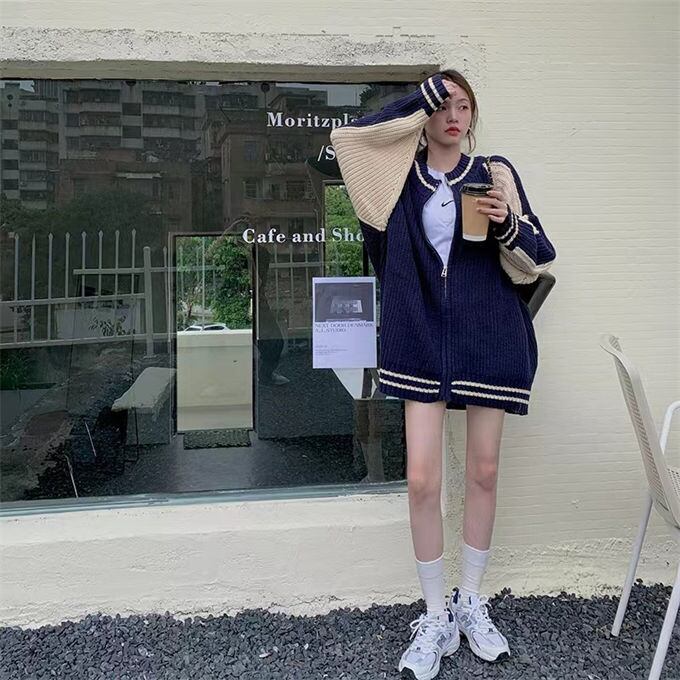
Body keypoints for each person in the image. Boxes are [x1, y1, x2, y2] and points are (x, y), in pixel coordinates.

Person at [330, 70, 557, 679]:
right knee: (422, 482)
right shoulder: (395, 181)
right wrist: (421, 96)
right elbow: (347, 142)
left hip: (489, 337)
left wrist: (507, 223)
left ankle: (471, 602)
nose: (453, 116)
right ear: (424, 115)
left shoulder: (493, 173)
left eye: (463, 106)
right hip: (420, 338)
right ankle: (435, 615)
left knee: (483, 472)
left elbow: (539, 255)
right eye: (442, 105)